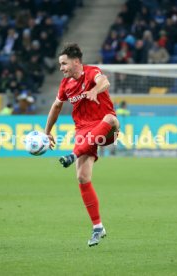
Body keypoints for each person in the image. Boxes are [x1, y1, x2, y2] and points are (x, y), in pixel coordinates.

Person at [44, 43, 120, 247]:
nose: (61, 68)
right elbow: (56, 106)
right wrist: (46, 132)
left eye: (64, 63)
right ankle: (98, 227)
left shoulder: (91, 72)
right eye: (60, 64)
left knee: (111, 119)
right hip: (84, 132)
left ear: (76, 62)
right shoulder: (65, 85)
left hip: (106, 127)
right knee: (82, 177)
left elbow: (104, 82)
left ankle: (72, 155)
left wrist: (95, 91)